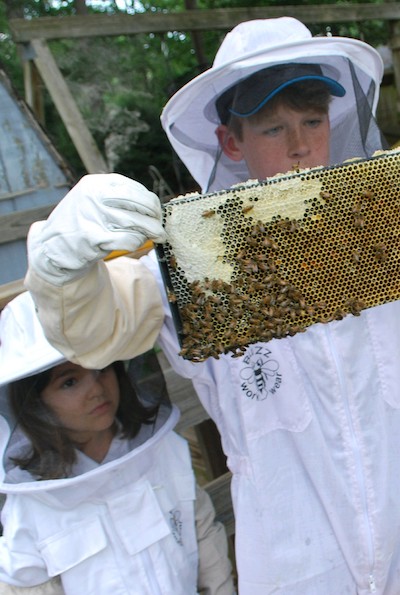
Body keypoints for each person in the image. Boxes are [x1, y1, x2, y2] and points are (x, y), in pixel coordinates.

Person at [23, 16, 399, 594]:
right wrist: (63, 269)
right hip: (294, 550)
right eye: (273, 129)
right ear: (231, 142)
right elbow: (97, 331)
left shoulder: (382, 222)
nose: (301, 146)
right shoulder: (198, 261)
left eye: (312, 121)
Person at [0, 292, 234, 595]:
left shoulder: (163, 451)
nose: (97, 389)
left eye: (101, 369)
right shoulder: (33, 505)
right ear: (34, 403)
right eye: (69, 382)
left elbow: (203, 532)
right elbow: (28, 588)